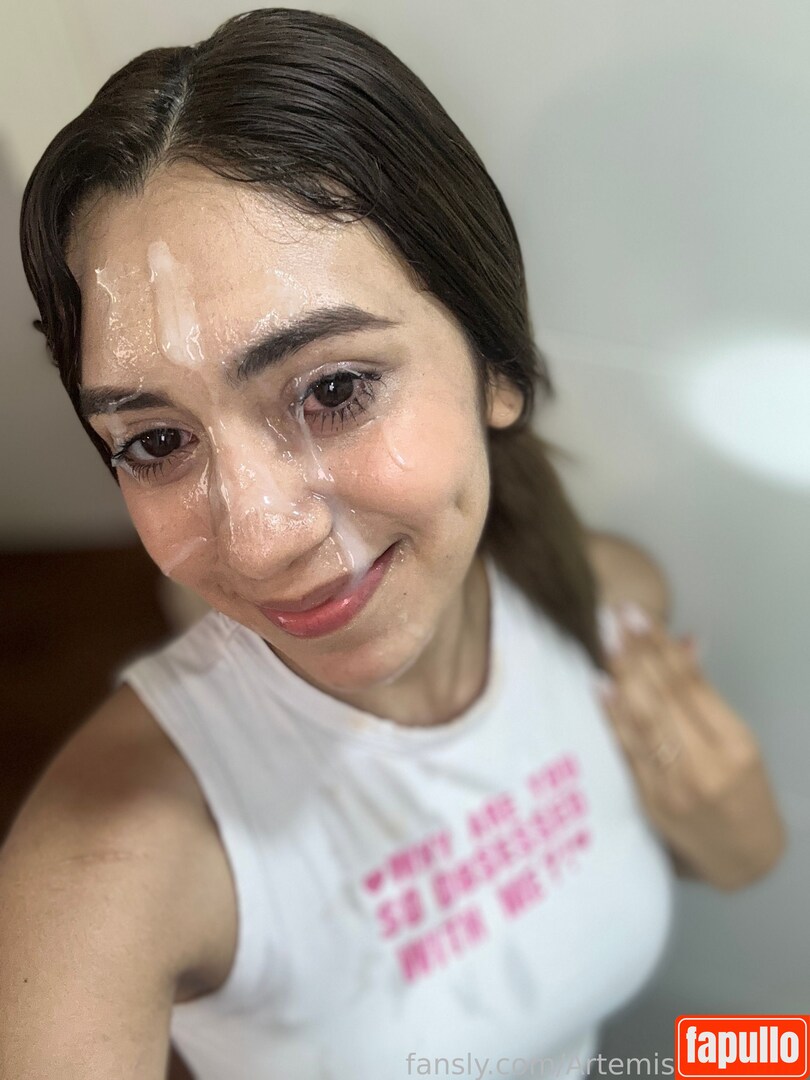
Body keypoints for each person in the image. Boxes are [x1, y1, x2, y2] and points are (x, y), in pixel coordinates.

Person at [2, 8, 785, 1079]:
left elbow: (739, 867)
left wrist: (731, 821)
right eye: (156, 442)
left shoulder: (607, 603)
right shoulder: (109, 860)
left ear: (496, 366)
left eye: (333, 390)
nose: (260, 542)